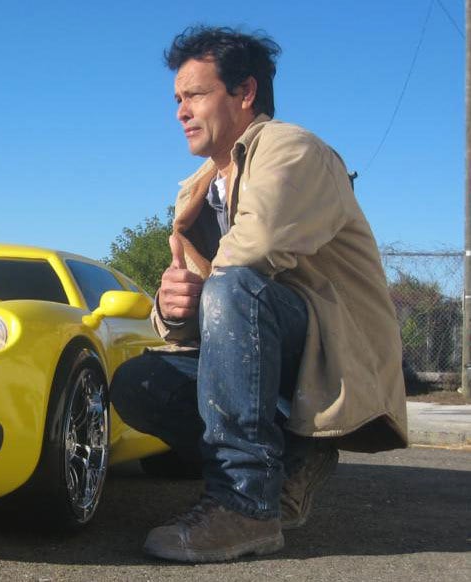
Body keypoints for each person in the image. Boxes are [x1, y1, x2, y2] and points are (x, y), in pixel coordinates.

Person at [110, 26, 408, 563]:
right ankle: (293, 458)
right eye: (177, 98)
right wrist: (170, 307)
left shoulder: (293, 150)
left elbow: (252, 253)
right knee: (139, 381)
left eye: (196, 94)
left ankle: (243, 504)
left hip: (329, 351)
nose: (181, 110)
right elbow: (204, 299)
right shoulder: (197, 190)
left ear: (245, 93)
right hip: (253, 337)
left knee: (234, 285)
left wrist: (200, 291)